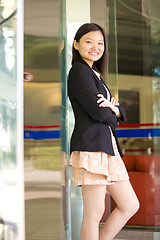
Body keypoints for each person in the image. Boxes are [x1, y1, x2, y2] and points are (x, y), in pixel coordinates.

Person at [68, 23, 139, 240]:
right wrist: (113, 112)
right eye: (89, 42)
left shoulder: (94, 74)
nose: (95, 47)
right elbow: (100, 114)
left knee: (130, 205)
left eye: (100, 43)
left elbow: (116, 114)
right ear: (76, 44)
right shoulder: (79, 71)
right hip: (91, 148)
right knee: (95, 212)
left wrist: (115, 111)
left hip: (107, 149)